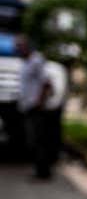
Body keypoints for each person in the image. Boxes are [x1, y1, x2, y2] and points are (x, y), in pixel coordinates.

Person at [16, 35, 55, 179]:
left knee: (38, 140)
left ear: (27, 46)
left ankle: (43, 172)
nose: (18, 49)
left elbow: (46, 83)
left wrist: (40, 102)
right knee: (33, 140)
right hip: (27, 107)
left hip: (35, 108)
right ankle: (39, 170)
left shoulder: (36, 60)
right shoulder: (25, 62)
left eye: (20, 46)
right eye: (17, 47)